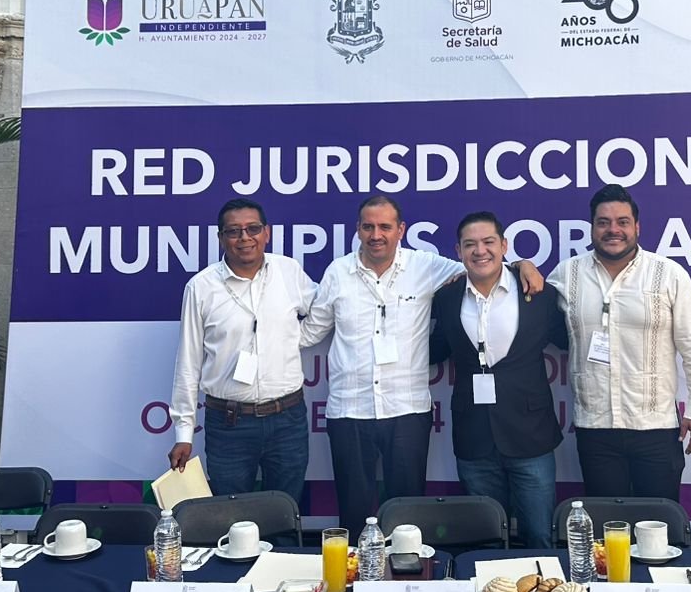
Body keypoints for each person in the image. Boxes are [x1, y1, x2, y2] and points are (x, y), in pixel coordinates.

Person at [303, 194, 543, 538]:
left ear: (400, 230)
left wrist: (522, 265)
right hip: (348, 410)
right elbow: (312, 330)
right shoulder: (337, 273)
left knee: (405, 516)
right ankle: (357, 571)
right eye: (368, 227)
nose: (376, 235)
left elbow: (481, 265)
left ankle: (402, 572)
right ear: (357, 230)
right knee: (353, 514)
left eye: (385, 227)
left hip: (407, 410)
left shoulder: (426, 266)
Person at [549, 184, 691, 502]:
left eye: (622, 222)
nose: (613, 230)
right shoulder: (567, 274)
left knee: (659, 522)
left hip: (656, 427)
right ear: (592, 228)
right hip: (595, 428)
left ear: (636, 227)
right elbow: (527, 298)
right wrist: (522, 267)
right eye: (603, 222)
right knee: (607, 522)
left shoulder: (669, 274)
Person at [429, 212, 568, 548]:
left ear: (504, 246)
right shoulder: (446, 298)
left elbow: (569, 340)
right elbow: (435, 350)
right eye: (470, 244)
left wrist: (524, 265)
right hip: (474, 438)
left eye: (489, 242)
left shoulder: (538, 293)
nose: (480, 251)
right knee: (486, 540)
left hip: (530, 436)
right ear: (458, 251)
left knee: (539, 537)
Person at [167, 198, 317, 505]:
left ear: (267, 233)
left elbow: (324, 310)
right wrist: (183, 433)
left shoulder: (288, 271)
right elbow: (188, 363)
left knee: (285, 512)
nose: (244, 238)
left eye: (253, 229)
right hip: (229, 425)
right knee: (232, 516)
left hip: (287, 420)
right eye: (234, 231)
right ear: (221, 238)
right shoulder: (201, 287)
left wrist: (295, 339)